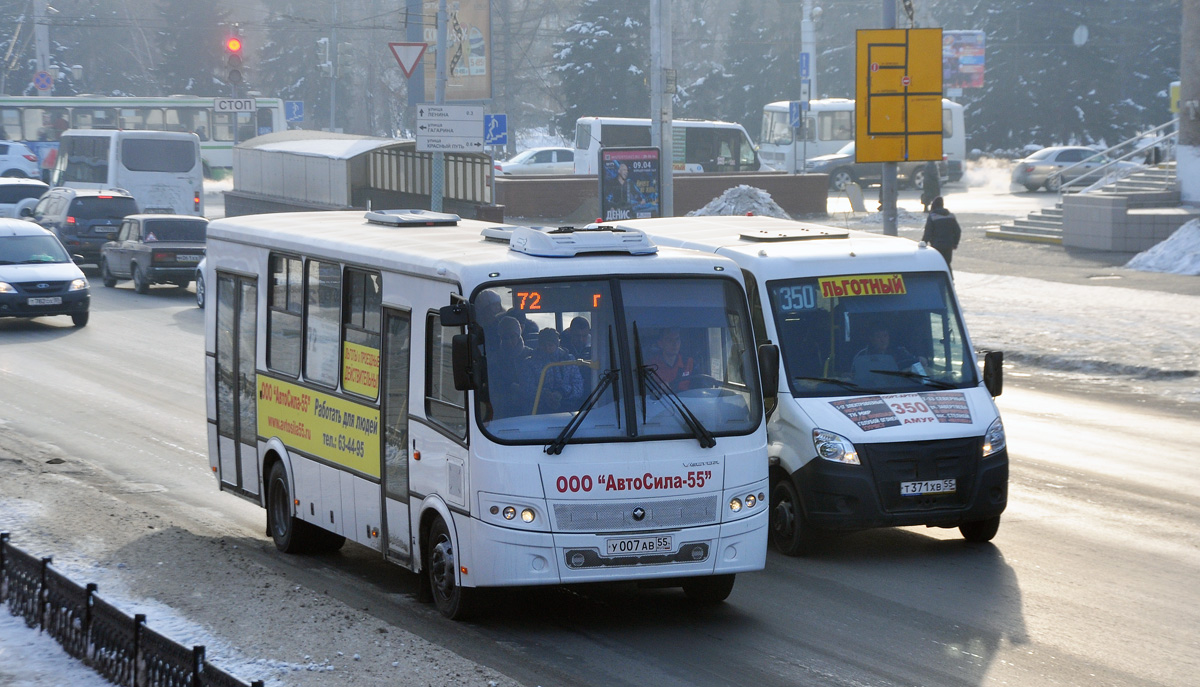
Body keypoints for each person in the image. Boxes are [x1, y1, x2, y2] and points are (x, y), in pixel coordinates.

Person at [521, 328, 584, 414]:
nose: (547, 348)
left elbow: (579, 387)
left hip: (568, 410)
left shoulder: (569, 360)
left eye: (550, 345)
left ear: (557, 344)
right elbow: (527, 390)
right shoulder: (529, 363)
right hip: (538, 411)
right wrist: (545, 394)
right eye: (543, 345)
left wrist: (562, 392)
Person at [487, 316, 533, 417]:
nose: (509, 341)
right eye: (505, 337)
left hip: (531, 407)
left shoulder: (531, 355)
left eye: (512, 336)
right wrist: (510, 386)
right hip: (504, 409)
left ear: (519, 335)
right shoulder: (494, 359)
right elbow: (493, 385)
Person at [851, 327, 927, 387]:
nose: (883, 340)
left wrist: (920, 361)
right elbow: (854, 376)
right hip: (869, 389)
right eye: (878, 336)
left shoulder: (900, 352)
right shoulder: (862, 355)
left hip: (902, 388)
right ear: (871, 338)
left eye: (885, 336)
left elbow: (919, 363)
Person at [922, 196, 962, 273]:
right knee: (947, 263)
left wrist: (923, 243)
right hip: (948, 245)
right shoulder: (950, 216)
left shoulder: (932, 217)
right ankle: (950, 281)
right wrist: (955, 243)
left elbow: (928, 232)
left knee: (937, 264)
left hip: (936, 245)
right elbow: (958, 231)